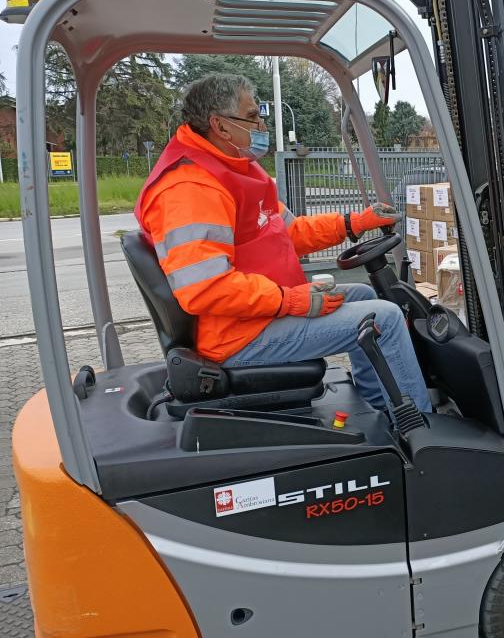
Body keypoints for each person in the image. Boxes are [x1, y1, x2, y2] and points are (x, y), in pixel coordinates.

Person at [134, 73, 431, 413]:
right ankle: (424, 435)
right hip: (237, 337)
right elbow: (205, 287)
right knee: (386, 317)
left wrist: (355, 223)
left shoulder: (235, 172)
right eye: (252, 116)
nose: (261, 123)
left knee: (365, 295)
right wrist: (289, 301)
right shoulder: (191, 188)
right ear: (220, 125)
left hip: (256, 316)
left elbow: (288, 233)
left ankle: (379, 403)